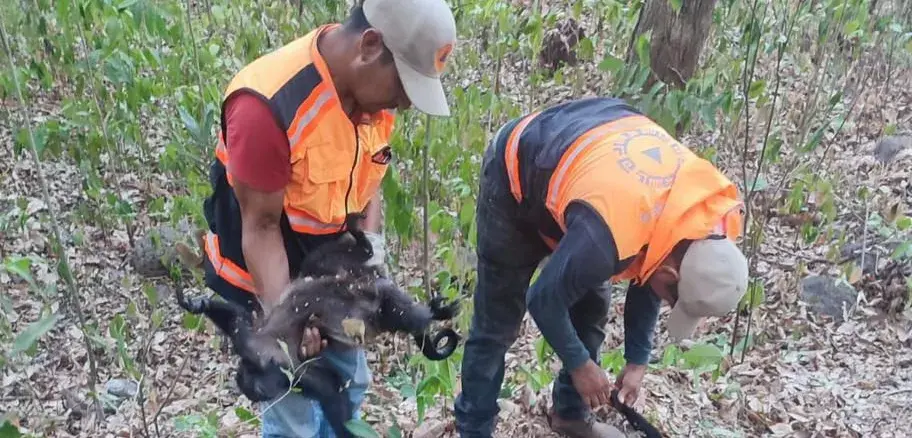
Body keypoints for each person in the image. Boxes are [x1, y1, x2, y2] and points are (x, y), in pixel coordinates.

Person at [198, 0, 457, 436]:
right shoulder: (267, 104)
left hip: (329, 270)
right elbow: (260, 229)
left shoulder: (375, 102)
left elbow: (368, 184)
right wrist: (289, 324)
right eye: (404, 86)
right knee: (293, 409)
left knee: (350, 386)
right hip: (267, 279)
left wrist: (371, 264)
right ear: (370, 46)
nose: (406, 104)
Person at [453, 96, 749, 438]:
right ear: (671, 276)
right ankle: (473, 429)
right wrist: (581, 365)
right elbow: (543, 299)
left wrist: (638, 359)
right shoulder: (607, 235)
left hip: (586, 188)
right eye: (673, 300)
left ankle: (569, 414)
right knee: (497, 324)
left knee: (591, 307)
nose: (669, 304)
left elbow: (652, 264)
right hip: (517, 175)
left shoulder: (698, 220)